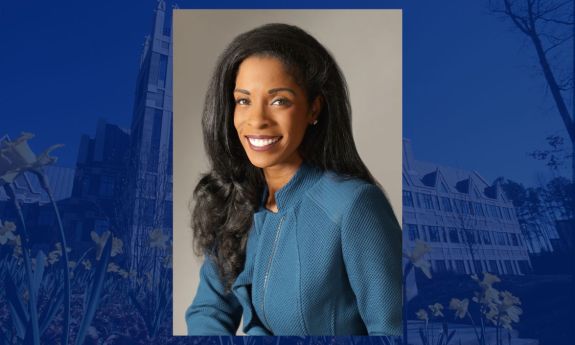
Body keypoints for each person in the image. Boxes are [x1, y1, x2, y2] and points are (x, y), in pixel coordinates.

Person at [186, 23, 401, 336]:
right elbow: (209, 310)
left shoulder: (353, 206)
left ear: (313, 108)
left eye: (279, 101)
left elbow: (392, 331)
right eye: (243, 100)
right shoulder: (233, 199)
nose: (257, 120)